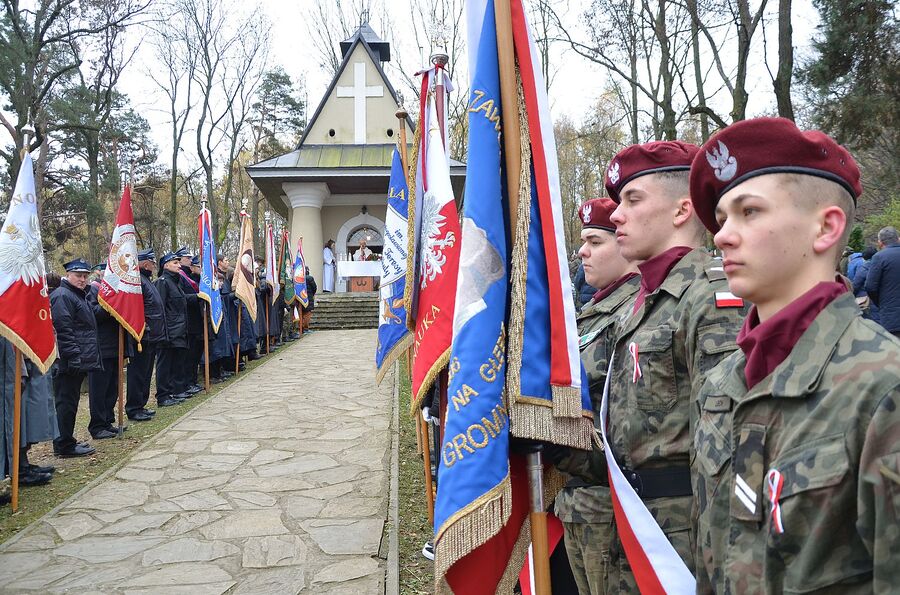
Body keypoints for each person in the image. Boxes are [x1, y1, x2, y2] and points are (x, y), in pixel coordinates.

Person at [690, 116, 900, 593]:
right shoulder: (723, 382)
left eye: (749, 211)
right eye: (721, 219)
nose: (721, 235)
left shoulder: (883, 387)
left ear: (825, 227)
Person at [601, 141, 748, 590]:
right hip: (635, 522)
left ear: (682, 210)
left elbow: (726, 444)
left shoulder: (711, 295)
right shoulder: (642, 300)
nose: (616, 215)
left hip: (683, 539)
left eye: (633, 199)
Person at [551, 198, 640, 594]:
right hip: (581, 507)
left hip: (613, 509)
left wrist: (556, 444)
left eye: (595, 241)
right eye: (583, 241)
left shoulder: (636, 311)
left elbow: (631, 430)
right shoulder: (593, 311)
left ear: (626, 243)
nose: (582, 251)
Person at [49, 259, 100, 457]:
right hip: (68, 361)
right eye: (78, 275)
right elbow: (64, 331)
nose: (82, 279)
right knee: (66, 403)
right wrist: (73, 357)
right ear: (68, 275)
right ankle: (63, 445)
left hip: (76, 358)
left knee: (70, 402)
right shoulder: (63, 296)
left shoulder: (77, 295)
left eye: (85, 276)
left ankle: (66, 440)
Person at [87, 269, 134, 438]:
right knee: (99, 390)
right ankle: (97, 425)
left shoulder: (118, 292)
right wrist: (111, 304)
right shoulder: (93, 290)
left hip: (115, 347)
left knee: (112, 388)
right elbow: (93, 315)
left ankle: (107, 421)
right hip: (102, 347)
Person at [126, 248, 165, 421]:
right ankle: (134, 407)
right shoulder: (137, 281)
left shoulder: (146, 280)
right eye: (152, 262)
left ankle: (141, 404)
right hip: (142, 335)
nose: (154, 265)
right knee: (138, 373)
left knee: (146, 373)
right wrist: (145, 329)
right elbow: (137, 309)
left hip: (152, 335)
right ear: (144, 263)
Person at [154, 252, 190, 407]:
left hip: (179, 329)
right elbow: (160, 308)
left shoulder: (176, 282)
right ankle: (163, 395)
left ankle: (177, 390)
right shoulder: (162, 282)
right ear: (166, 265)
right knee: (165, 364)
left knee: (177, 362)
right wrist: (164, 332)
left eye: (179, 262)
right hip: (169, 330)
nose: (179, 266)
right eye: (175, 263)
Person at [175, 247, 203, 395]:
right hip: (188, 321)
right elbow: (182, 297)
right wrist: (197, 297)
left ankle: (192, 381)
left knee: (195, 354)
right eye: (187, 258)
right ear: (180, 260)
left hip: (196, 319)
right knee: (189, 355)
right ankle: (187, 383)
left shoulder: (189, 276)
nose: (190, 260)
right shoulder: (180, 276)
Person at [865, 226, 900, 337]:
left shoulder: (879, 257)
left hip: (891, 313)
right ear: (898, 239)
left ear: (880, 243)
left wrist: (880, 303)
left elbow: (870, 286)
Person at [852, 246, 880, 323]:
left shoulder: (864, 268)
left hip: (865, 298)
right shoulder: (881, 266)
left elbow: (856, 284)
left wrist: (852, 295)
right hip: (880, 297)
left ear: (864, 257)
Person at [301, 267, 317, 333]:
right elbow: (314, 287)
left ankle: (301, 328)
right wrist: (312, 294)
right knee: (307, 314)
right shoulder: (310, 278)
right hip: (309, 298)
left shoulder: (298, 278)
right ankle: (305, 328)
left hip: (301, 298)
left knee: (301, 314)